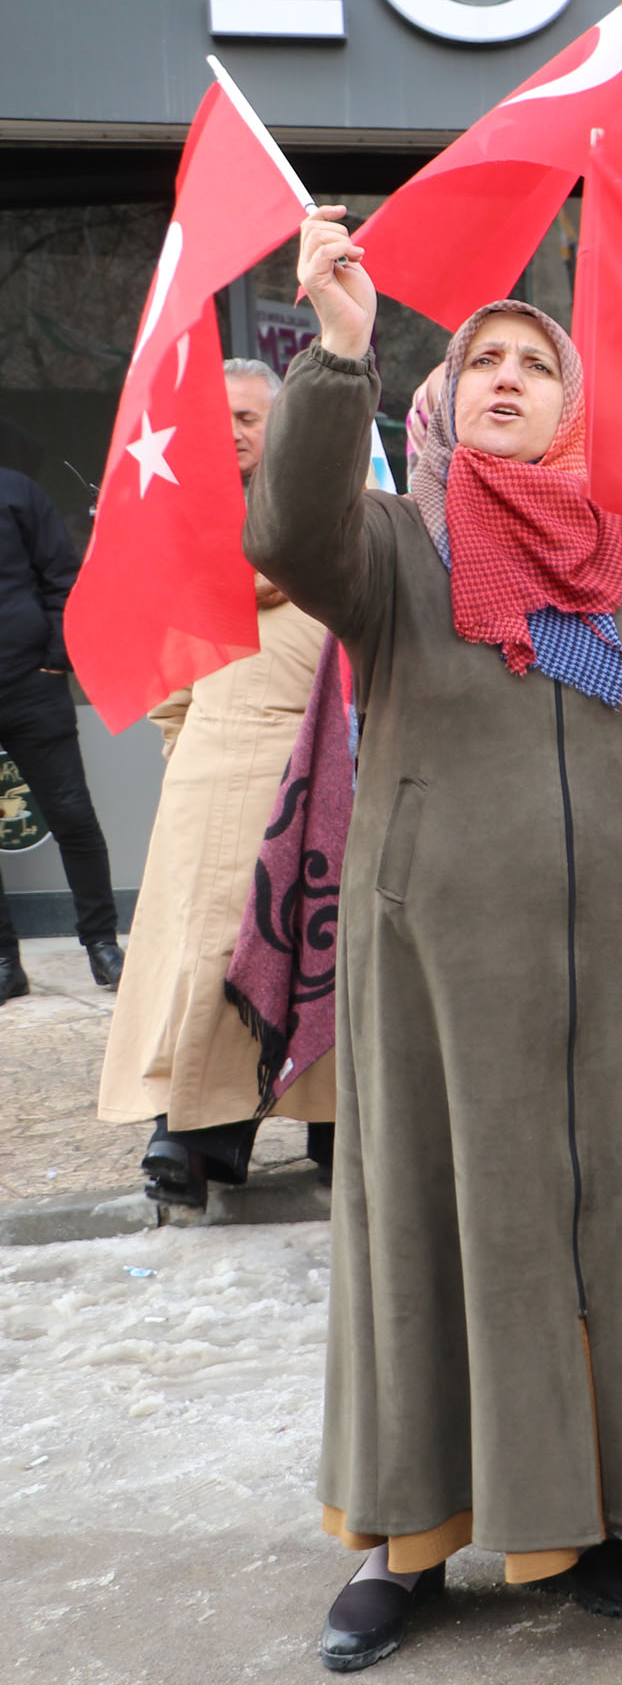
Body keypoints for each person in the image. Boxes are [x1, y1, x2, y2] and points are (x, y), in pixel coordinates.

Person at [256, 205, 622, 1672]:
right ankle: (403, 1544)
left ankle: (589, 1516)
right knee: (433, 1230)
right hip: (437, 970)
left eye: (532, 365)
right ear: (444, 396)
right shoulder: (396, 550)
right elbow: (283, 531)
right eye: (479, 361)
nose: (502, 378)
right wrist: (337, 357)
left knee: (612, 1230)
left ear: (570, 404)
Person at [96, 360, 333, 1201]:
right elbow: (169, 684)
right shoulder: (182, 534)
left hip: (323, 766)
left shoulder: (334, 517)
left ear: (285, 425)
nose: (231, 432)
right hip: (214, 763)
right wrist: (191, 755)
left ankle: (335, 1127)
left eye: (247, 415)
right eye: (215, 419)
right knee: (208, 957)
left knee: (323, 951)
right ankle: (192, 1133)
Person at [0, 459, 119, 1000]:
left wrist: (55, 656)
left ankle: (101, 945)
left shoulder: (17, 490)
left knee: (72, 813)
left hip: (29, 683)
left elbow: (62, 577)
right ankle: (6, 962)